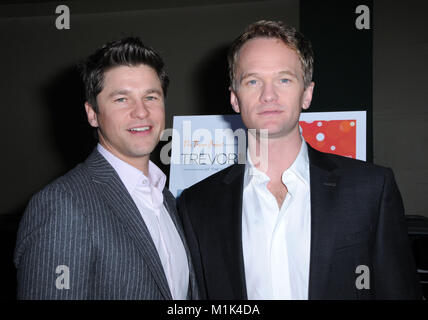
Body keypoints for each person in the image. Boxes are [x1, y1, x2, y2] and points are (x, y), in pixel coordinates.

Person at [178, 20, 422, 299]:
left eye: (284, 79)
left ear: (307, 93)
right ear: (235, 99)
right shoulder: (197, 205)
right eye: (253, 81)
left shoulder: (370, 189)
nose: (268, 95)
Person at [14, 37, 198, 300]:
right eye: (122, 99)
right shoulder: (62, 204)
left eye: (151, 97)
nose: (142, 112)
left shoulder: (169, 199)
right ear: (92, 113)